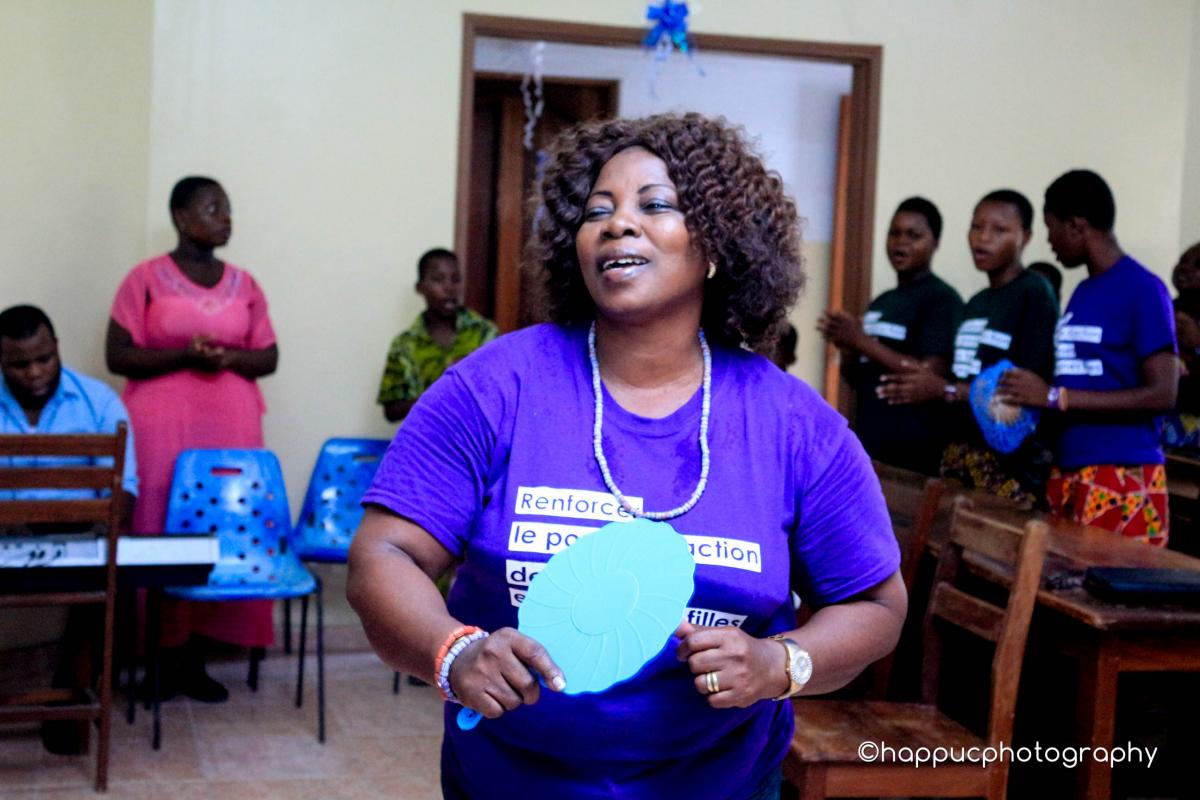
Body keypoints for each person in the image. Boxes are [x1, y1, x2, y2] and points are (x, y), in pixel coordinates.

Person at [348, 113, 905, 800]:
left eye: (655, 205)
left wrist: (779, 663)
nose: (617, 224)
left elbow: (875, 604)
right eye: (597, 211)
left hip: (721, 785)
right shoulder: (492, 388)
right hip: (508, 782)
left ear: (718, 242)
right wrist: (453, 651)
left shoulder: (795, 426)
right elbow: (384, 554)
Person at [106, 176, 279, 702]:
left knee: (220, 530)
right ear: (181, 217)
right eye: (213, 209)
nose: (226, 219)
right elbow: (118, 354)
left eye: (228, 209)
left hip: (230, 427)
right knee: (160, 527)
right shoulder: (144, 278)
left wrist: (227, 357)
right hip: (161, 429)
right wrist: (184, 354)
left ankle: (195, 661)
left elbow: (268, 356)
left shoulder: (245, 284)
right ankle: (157, 659)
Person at [999, 171, 1177, 546]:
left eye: (1051, 227)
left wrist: (1055, 397)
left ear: (1077, 226)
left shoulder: (1142, 288)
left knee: (1112, 581)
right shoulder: (1082, 291)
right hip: (1070, 466)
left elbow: (1163, 393)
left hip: (1121, 471)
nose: (1049, 241)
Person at [0, 304, 138, 754]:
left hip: (77, 536)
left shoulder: (98, 401)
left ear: (57, 347)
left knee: (113, 585)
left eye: (44, 358)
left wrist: (88, 520)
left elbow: (126, 492)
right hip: (4, 537)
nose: (35, 373)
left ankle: (68, 698)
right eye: (19, 365)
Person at [878, 190, 1059, 507]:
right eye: (976, 227)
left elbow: (1024, 389)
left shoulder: (1033, 293)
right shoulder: (976, 302)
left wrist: (945, 390)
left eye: (999, 230)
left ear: (1026, 236)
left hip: (1009, 467)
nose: (983, 238)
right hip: (960, 455)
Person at [819, 197, 964, 475]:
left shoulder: (941, 299)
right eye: (894, 233)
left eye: (913, 235)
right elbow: (858, 376)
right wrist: (847, 345)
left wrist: (861, 340)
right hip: (871, 443)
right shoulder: (882, 301)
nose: (900, 243)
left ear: (935, 243)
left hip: (912, 450)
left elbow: (930, 373)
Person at [376, 248, 498, 423]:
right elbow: (390, 412)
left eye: (456, 279)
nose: (449, 288)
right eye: (438, 279)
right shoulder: (404, 344)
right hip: (425, 437)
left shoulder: (485, 333)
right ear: (420, 288)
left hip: (476, 436)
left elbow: (502, 394)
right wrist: (437, 392)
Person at [1163, 241, 1200, 450]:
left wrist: (1197, 343)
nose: (1185, 268)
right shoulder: (1162, 309)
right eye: (1182, 261)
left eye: (1198, 265)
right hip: (1166, 436)